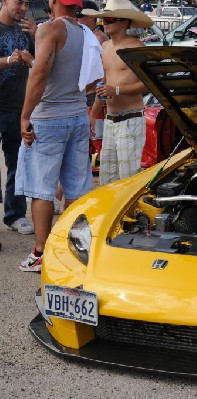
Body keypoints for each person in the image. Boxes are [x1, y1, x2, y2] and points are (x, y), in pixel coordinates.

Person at [16, 0, 102, 271]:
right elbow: (92, 80)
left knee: (42, 189)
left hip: (49, 119)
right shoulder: (86, 33)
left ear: (53, 3)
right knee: (76, 188)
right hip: (77, 115)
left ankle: (41, 253)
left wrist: (25, 115)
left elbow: (39, 75)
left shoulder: (50, 29)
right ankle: (72, 251)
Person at [85, 0, 152, 185]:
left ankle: (130, 213)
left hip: (130, 119)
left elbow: (147, 84)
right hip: (110, 120)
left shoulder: (136, 48)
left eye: (111, 19)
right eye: (104, 20)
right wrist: (93, 115)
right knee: (107, 177)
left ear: (124, 22)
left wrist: (116, 90)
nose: (105, 23)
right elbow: (103, 85)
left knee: (128, 179)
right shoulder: (105, 48)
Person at [0, 0, 35, 235]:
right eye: (18, 1)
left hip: (18, 107)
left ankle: (16, 214)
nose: (23, 7)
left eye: (26, 3)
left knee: (18, 164)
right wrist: (8, 60)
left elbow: (41, 62)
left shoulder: (27, 30)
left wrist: (37, 36)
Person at [76, 0, 109, 106]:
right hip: (88, 94)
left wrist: (80, 92)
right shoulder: (89, 36)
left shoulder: (98, 38)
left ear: (91, 17)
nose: (76, 18)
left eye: (79, 14)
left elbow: (100, 72)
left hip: (92, 95)